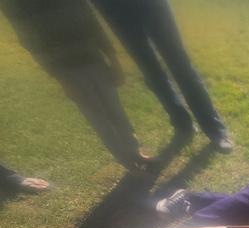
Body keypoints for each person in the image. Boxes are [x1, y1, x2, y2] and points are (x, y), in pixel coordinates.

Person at [0, 0, 152, 171]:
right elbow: (30, 41)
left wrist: (113, 58)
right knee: (98, 118)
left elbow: (91, 20)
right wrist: (60, 79)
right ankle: (126, 160)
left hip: (94, 59)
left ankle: (134, 151)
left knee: (116, 110)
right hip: (67, 71)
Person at [91, 0, 233, 152]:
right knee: (150, 71)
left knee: (180, 63)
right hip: (113, 7)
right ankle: (182, 123)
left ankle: (215, 129)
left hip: (152, 5)